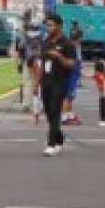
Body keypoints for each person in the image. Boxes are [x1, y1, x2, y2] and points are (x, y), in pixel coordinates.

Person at [34, 13, 76, 156]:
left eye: (51, 25)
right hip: (46, 81)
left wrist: (59, 57)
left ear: (59, 26)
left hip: (60, 82)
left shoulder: (67, 44)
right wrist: (36, 83)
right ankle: (59, 138)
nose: (48, 28)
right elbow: (41, 64)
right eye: (47, 25)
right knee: (49, 113)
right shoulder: (45, 42)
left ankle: (51, 143)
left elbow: (71, 64)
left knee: (55, 111)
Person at [93, 60, 105, 127]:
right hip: (103, 92)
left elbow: (104, 82)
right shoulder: (99, 73)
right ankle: (102, 120)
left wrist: (103, 92)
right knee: (101, 106)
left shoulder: (100, 74)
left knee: (104, 106)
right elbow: (89, 75)